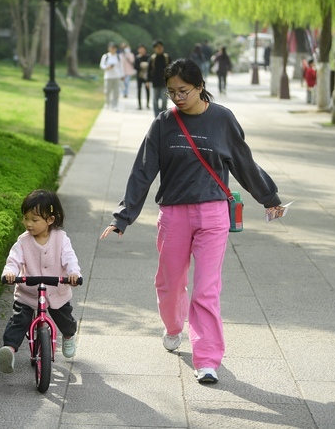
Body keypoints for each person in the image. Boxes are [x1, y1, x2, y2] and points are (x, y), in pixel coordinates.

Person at [99, 59, 284, 385]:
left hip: (213, 214)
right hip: (174, 215)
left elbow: (243, 162)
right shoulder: (163, 123)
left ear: (200, 86)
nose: (177, 97)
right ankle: (173, 327)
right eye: (171, 91)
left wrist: (269, 198)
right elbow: (143, 171)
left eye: (183, 90)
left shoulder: (222, 119)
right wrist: (123, 216)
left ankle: (208, 359)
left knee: (206, 289)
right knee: (169, 284)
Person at [0, 189, 82, 373]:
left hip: (56, 291)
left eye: (34, 220)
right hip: (28, 293)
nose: (28, 224)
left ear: (50, 220)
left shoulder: (61, 239)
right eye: (25, 218)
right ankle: (9, 350)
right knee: (19, 320)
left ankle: (68, 336)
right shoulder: (23, 241)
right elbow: (14, 260)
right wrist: (10, 273)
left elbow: (70, 258)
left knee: (65, 319)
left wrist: (74, 273)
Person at [147, 40, 171, 117]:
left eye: (161, 47)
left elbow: (172, 69)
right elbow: (149, 70)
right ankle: (156, 116)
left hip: (165, 83)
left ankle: (163, 115)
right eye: (157, 47)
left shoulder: (167, 57)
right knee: (155, 101)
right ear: (154, 49)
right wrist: (147, 81)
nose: (159, 49)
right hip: (155, 82)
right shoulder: (152, 58)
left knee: (164, 99)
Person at [100, 42, 124, 110]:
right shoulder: (106, 56)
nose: (113, 49)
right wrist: (107, 67)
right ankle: (107, 104)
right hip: (108, 76)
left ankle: (115, 105)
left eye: (114, 48)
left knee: (116, 92)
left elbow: (121, 67)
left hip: (116, 76)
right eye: (111, 48)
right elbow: (102, 65)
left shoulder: (118, 56)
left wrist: (122, 76)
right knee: (107, 91)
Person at [135, 44, 150, 110]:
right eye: (140, 49)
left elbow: (150, 67)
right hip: (139, 76)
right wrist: (140, 66)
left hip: (147, 76)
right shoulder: (137, 58)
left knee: (147, 90)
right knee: (139, 90)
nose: (141, 50)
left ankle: (147, 104)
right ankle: (139, 105)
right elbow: (135, 67)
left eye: (143, 49)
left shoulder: (148, 57)